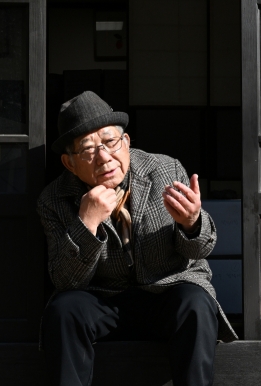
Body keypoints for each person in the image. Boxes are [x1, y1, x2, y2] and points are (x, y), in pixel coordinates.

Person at [37, 91, 237, 386]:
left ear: (126, 143)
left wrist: (192, 222)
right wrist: (86, 224)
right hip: (103, 300)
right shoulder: (53, 200)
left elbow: (199, 249)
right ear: (70, 163)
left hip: (165, 293)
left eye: (110, 142)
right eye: (88, 149)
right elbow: (65, 281)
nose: (104, 157)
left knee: (195, 301)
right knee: (64, 309)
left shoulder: (165, 170)